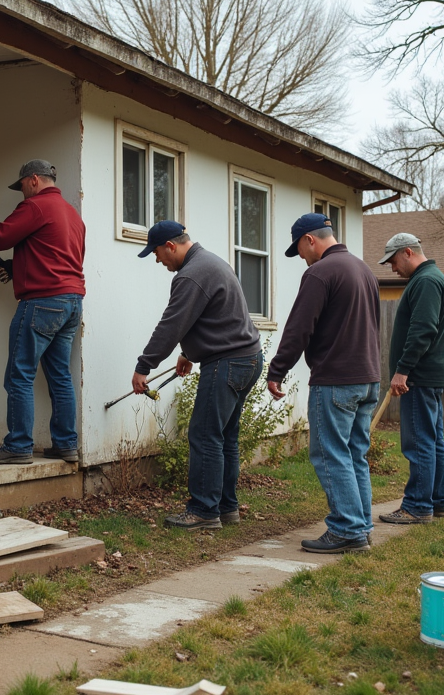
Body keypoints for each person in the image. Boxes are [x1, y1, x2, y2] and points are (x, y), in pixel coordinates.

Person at [0, 160, 86, 464]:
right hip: (71, 301)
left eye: (22, 185)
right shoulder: (72, 214)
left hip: (42, 301)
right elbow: (58, 256)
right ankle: (66, 444)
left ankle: (18, 445)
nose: (21, 192)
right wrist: (17, 267)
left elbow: (0, 236)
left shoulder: (36, 207)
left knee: (19, 374)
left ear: (34, 180)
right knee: (60, 375)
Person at [132, 221, 263, 530]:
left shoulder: (190, 275)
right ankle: (225, 507)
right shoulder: (212, 262)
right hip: (248, 358)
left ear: (171, 246)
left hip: (226, 362)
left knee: (204, 436)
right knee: (224, 437)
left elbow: (171, 326)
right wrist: (189, 354)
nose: (158, 260)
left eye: (157, 254)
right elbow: (217, 316)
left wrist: (143, 366)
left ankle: (204, 511)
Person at [266, 213, 380, 553]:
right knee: (355, 454)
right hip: (368, 378)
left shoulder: (320, 273)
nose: (302, 257)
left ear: (309, 240)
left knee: (330, 454)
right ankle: (361, 525)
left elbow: (300, 327)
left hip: (336, 380)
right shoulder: (364, 270)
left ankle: (347, 530)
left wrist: (277, 369)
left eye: (300, 250)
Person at [377, 233, 444, 524]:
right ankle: (438, 501)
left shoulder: (425, 282)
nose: (392, 269)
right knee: (433, 440)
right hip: (429, 376)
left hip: (419, 377)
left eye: (394, 261)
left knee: (419, 441)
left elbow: (423, 329)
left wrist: (403, 369)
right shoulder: (434, 279)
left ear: (407, 252)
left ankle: (417, 506)